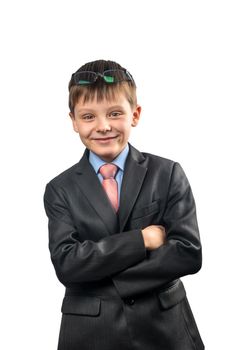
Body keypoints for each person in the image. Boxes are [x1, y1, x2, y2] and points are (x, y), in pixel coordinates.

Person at [43, 59, 204, 350]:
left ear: (135, 114)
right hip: (91, 333)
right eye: (89, 116)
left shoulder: (167, 174)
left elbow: (187, 253)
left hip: (165, 331)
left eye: (115, 113)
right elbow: (67, 264)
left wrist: (98, 273)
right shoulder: (60, 189)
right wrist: (142, 239)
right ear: (74, 121)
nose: (103, 127)